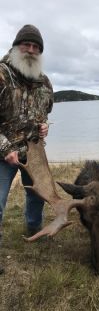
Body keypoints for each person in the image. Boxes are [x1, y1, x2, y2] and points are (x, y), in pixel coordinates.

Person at [0, 24, 54, 273]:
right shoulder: (1, 74)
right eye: (27, 45)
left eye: (36, 47)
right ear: (16, 46)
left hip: (34, 152)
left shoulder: (44, 82)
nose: (31, 50)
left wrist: (44, 127)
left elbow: (44, 113)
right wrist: (5, 148)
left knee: (36, 194)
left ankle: (35, 229)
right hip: (4, 153)